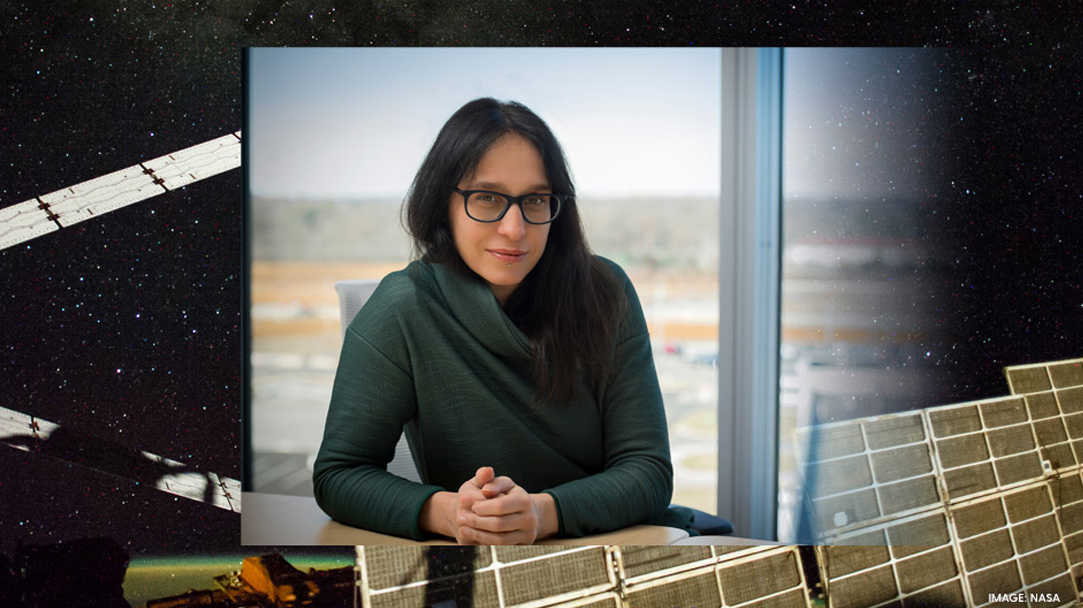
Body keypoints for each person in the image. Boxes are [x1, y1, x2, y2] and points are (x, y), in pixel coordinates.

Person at [313, 97, 690, 544]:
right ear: (442, 203)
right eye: (487, 198)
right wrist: (449, 513)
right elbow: (339, 474)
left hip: (605, 544)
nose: (515, 228)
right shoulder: (403, 307)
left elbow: (647, 470)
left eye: (535, 199)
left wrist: (541, 513)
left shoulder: (606, 290)